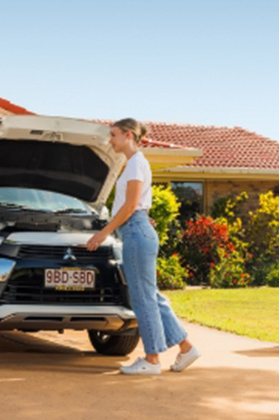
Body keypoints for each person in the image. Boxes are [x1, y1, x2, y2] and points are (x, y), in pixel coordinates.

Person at [86, 118, 201, 375]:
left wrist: (102, 234)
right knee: (151, 296)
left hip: (135, 233)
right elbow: (136, 206)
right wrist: (136, 216)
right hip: (137, 230)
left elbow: (129, 206)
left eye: (113, 135)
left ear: (128, 135)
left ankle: (151, 361)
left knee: (142, 298)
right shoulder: (134, 164)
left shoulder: (136, 163)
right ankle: (186, 347)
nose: (110, 140)